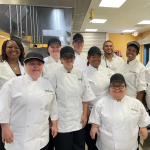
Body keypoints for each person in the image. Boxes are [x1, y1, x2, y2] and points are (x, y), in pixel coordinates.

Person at [0, 52, 58, 150]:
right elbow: (3, 108)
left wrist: (54, 124)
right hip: (18, 138)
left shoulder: (48, 85)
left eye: (39, 64)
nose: (36, 66)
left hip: (41, 138)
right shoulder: (12, 84)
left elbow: (53, 107)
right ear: (25, 65)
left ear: (42, 66)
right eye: (32, 63)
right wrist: (5, 129)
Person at [48, 46, 95, 150]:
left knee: (79, 146)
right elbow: (51, 99)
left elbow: (86, 95)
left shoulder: (80, 73)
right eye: (66, 57)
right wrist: (52, 120)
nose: (69, 60)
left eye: (71, 57)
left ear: (74, 59)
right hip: (62, 120)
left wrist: (84, 114)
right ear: (61, 59)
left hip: (78, 118)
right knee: (64, 147)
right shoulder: (55, 75)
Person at [89, 73, 150, 150]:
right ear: (109, 88)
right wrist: (94, 127)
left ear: (125, 87)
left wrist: (143, 127)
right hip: (106, 147)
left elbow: (143, 118)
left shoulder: (136, 103)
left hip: (130, 146)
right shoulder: (100, 103)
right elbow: (95, 118)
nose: (117, 88)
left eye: (121, 85)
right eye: (113, 86)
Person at [82, 46, 114, 150]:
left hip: (106, 110)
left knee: (105, 137)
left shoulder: (108, 71)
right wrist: (85, 109)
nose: (96, 59)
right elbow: (79, 93)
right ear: (88, 58)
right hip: (90, 111)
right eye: (93, 57)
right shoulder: (82, 72)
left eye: (98, 57)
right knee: (91, 140)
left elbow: (114, 87)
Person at [0, 39, 25, 150]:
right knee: (7, 142)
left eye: (17, 47)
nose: (13, 50)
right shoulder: (1, 67)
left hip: (23, 111)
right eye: (10, 47)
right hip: (6, 112)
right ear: (4, 50)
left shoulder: (25, 66)